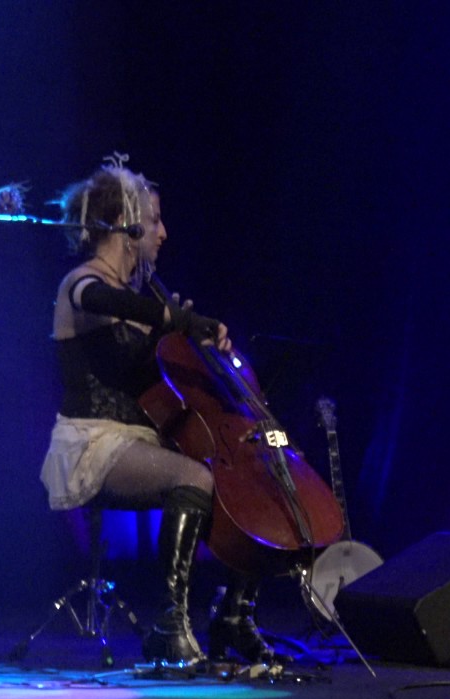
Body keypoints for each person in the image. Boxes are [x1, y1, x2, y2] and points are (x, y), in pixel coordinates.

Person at [37, 157, 282, 666]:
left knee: (249, 485)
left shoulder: (139, 295)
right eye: (153, 222)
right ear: (125, 227)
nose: (163, 233)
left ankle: (234, 615)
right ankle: (170, 625)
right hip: (93, 442)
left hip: (140, 442)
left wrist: (192, 344)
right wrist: (180, 320)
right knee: (194, 479)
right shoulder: (82, 285)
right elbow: (103, 300)